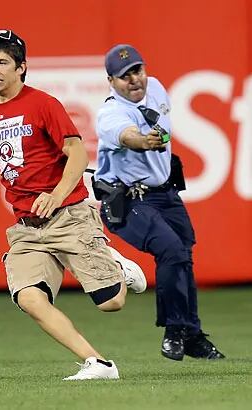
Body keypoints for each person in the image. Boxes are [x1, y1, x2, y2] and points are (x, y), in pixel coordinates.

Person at [0, 29, 147, 380]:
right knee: (30, 299)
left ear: (22, 67)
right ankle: (98, 363)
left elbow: (77, 153)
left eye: (3, 62)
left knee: (112, 302)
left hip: (68, 216)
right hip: (27, 229)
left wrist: (58, 193)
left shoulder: (43, 104)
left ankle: (114, 265)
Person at [94, 43, 225, 361]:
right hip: (127, 200)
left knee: (184, 257)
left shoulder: (156, 89)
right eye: (124, 76)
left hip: (165, 193)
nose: (134, 79)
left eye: (137, 70)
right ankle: (175, 330)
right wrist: (142, 141)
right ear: (111, 81)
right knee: (171, 249)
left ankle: (192, 336)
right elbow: (127, 136)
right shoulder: (111, 113)